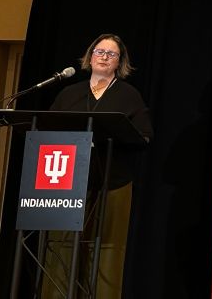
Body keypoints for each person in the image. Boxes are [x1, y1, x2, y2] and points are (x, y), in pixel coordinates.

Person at [47, 34, 152, 298]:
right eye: (99, 51)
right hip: (66, 184)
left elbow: (144, 136)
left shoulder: (128, 96)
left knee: (105, 252)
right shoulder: (69, 93)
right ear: (90, 56)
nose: (104, 57)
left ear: (119, 62)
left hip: (111, 184)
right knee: (61, 249)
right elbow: (48, 131)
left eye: (111, 54)